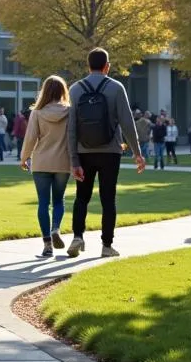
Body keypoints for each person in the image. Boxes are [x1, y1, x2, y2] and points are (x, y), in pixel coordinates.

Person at [67, 48, 146, 258]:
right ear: (107, 66)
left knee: (81, 197)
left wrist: (73, 160)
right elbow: (127, 123)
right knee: (108, 198)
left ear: (88, 65)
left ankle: (77, 236)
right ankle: (107, 245)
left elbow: (71, 129)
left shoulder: (74, 90)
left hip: (83, 151)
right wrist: (137, 152)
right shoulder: (116, 88)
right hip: (110, 151)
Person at [20, 75, 72, 257]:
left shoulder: (37, 112)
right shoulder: (69, 112)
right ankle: (55, 228)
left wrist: (24, 157)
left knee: (43, 202)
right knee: (58, 200)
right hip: (62, 162)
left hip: (41, 161)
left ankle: (47, 245)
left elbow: (30, 138)